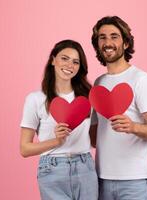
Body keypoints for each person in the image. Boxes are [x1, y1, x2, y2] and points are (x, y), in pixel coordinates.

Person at [90, 16, 147, 200]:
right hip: (101, 179)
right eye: (102, 37)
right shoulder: (98, 84)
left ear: (125, 43)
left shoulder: (142, 79)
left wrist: (133, 127)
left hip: (134, 181)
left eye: (114, 36)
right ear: (97, 44)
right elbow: (94, 138)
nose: (108, 42)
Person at [20, 40, 98, 200]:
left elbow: (95, 139)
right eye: (64, 58)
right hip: (52, 170)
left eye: (76, 62)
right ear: (53, 60)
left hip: (85, 167)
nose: (70, 65)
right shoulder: (35, 99)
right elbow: (25, 149)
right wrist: (56, 142)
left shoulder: (89, 97)